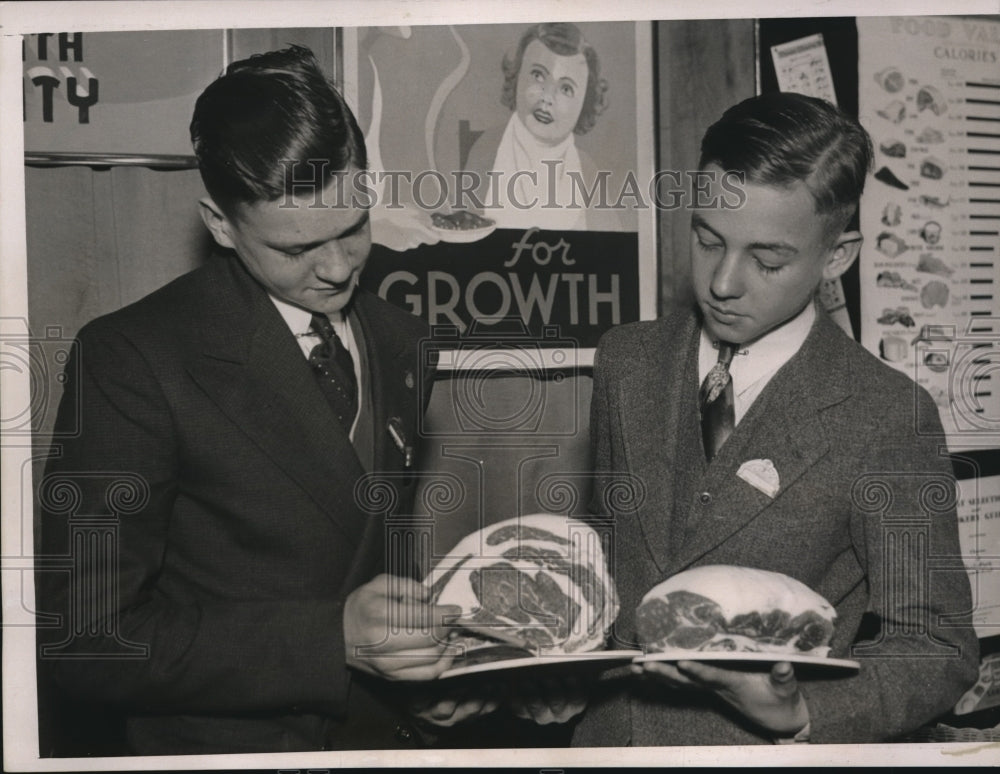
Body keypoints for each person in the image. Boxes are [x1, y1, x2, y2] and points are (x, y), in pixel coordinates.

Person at [34, 45, 477, 756]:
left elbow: (356, 558)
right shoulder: (132, 360)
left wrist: (425, 678)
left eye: (354, 226)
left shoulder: (402, 340)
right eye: (296, 248)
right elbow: (87, 640)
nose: (337, 269)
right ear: (219, 223)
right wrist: (327, 641)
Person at [570, 92, 979, 745]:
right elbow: (602, 549)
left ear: (836, 257)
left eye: (767, 260)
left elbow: (936, 643)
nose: (724, 283)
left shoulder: (887, 416)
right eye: (707, 239)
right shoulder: (626, 361)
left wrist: (802, 711)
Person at [464, 22, 618, 231]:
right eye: (538, 75)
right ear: (517, 76)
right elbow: (464, 245)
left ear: (585, 103)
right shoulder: (486, 150)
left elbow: (610, 250)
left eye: (565, 88)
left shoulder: (587, 170)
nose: (547, 97)